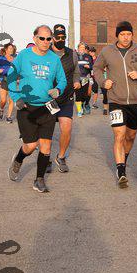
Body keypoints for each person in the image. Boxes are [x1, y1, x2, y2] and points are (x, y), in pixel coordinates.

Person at [93, 21, 137, 188]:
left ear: (132, 35)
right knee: (119, 135)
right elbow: (97, 68)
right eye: (122, 34)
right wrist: (103, 82)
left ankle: (124, 159)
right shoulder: (107, 51)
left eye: (128, 34)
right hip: (116, 100)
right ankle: (121, 170)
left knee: (130, 136)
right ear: (117, 35)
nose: (126, 37)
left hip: (135, 101)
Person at [7, 26, 67, 193]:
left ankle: (39, 180)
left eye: (49, 39)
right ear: (35, 38)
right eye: (42, 38)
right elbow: (10, 77)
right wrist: (16, 98)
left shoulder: (54, 59)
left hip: (47, 107)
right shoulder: (24, 56)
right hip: (27, 107)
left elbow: (62, 80)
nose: (46, 42)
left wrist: (58, 90)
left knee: (46, 146)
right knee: (31, 146)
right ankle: (19, 159)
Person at [48, 24, 81, 173]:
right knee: (46, 131)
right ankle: (45, 158)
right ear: (53, 38)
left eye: (63, 37)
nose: (61, 40)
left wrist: (76, 81)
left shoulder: (71, 53)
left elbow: (76, 72)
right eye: (58, 37)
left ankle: (61, 157)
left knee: (66, 128)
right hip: (48, 99)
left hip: (66, 97)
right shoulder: (46, 53)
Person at [0, 44, 16, 122]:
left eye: (12, 48)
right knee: (3, 100)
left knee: (11, 100)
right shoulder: (1, 59)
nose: (11, 50)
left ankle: (8, 117)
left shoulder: (15, 59)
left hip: (12, 81)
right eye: (10, 48)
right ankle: (1, 108)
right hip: (3, 80)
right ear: (6, 49)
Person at [75, 43, 93, 117]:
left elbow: (92, 66)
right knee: (78, 95)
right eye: (81, 47)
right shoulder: (74, 56)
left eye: (83, 48)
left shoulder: (88, 56)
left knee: (85, 94)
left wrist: (89, 66)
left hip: (85, 78)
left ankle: (84, 104)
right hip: (76, 78)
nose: (82, 49)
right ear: (78, 48)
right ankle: (79, 110)